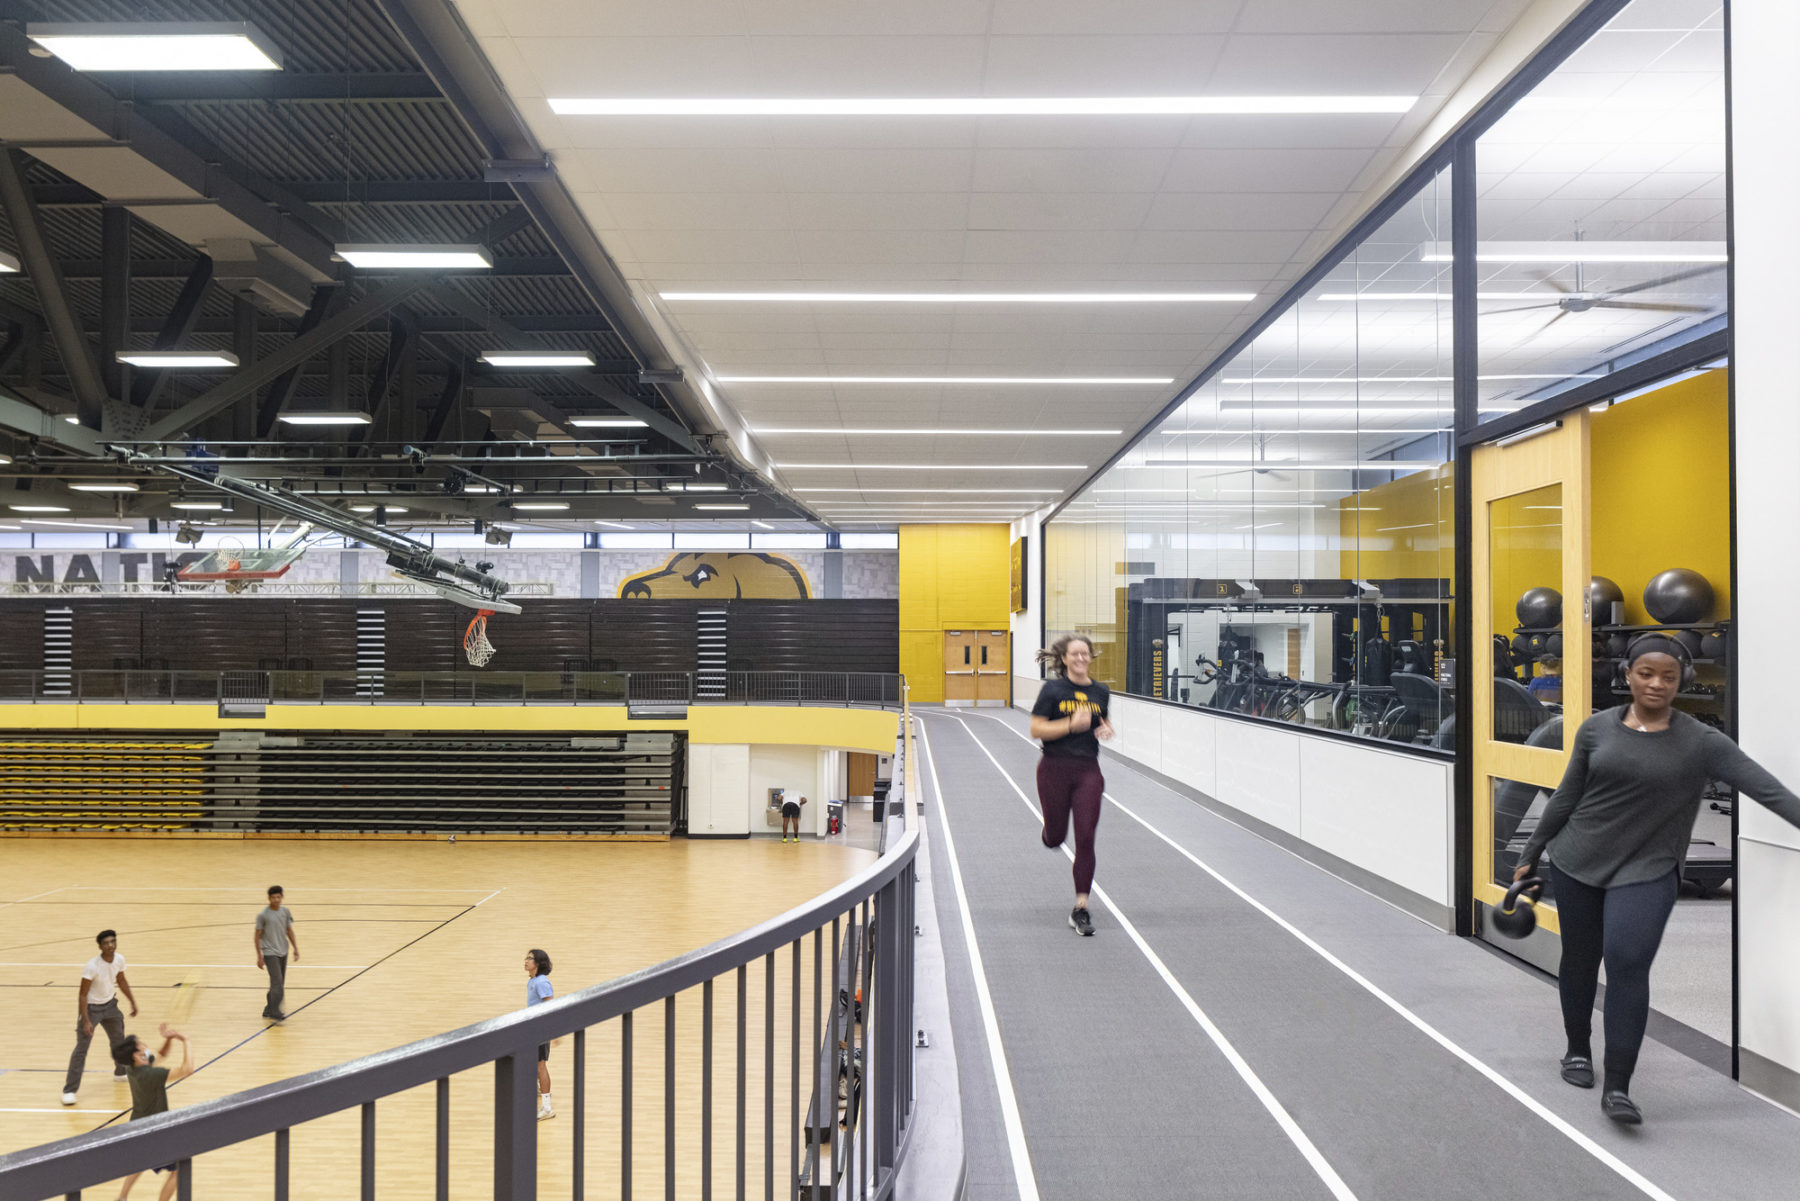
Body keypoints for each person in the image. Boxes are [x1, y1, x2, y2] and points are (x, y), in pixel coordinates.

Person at [1515, 635, 1800, 1124]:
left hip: (1648, 868)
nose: (1656, 683)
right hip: (1578, 859)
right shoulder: (1595, 730)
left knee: (1628, 962)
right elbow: (1566, 797)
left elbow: (1768, 791)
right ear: (1628, 674)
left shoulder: (1702, 742)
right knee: (1581, 959)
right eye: (1646, 673)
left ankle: (1620, 1086)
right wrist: (1531, 852)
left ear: (1682, 681)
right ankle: (1577, 1050)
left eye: (1668, 676)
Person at [1028, 634, 1114, 936]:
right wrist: (1069, 726)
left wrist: (1105, 729)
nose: (1080, 658)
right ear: (1064, 659)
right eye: (1074, 654)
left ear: (1091, 657)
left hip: (1088, 771)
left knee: (1086, 837)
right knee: (1055, 837)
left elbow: (1101, 722)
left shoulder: (1101, 692)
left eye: (1085, 653)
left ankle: (1081, 908)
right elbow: (1036, 729)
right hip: (1053, 769)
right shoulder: (1052, 690)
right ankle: (1050, 832)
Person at [113, 1024, 194, 1201]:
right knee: (179, 1169)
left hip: (137, 1125)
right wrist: (186, 1041)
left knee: (140, 1161)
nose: (143, 1043)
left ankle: (122, 1197)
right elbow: (187, 1069)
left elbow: (161, 1055)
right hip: (155, 1131)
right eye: (140, 1043)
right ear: (135, 1054)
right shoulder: (149, 1075)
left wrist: (169, 1039)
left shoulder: (132, 1066)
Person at [62, 928, 138, 1106]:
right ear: (100, 946)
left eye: (113, 941)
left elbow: (121, 980)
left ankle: (120, 1073)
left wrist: (132, 1002)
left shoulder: (119, 959)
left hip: (110, 1005)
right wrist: (86, 1020)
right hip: (92, 1009)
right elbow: (82, 994)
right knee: (81, 1050)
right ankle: (69, 1091)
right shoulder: (92, 966)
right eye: (106, 943)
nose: (110, 945)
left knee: (119, 1041)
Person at [254, 885, 299, 1024]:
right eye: (273, 897)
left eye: (278, 897)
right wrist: (259, 956)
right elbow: (257, 936)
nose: (276, 900)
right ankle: (275, 1012)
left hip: (283, 950)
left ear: (282, 897)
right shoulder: (263, 915)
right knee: (277, 982)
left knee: (278, 983)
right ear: (269, 898)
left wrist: (295, 948)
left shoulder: (285, 912)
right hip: (269, 952)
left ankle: (268, 1008)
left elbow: (289, 930)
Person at [524, 949, 555, 1121]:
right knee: (535, 1062)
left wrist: (553, 1030)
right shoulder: (533, 981)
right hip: (533, 1027)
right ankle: (539, 1088)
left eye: (530, 958)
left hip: (540, 1029)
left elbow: (551, 1005)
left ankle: (547, 1107)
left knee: (540, 1065)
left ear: (538, 963)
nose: (525, 961)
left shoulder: (542, 982)